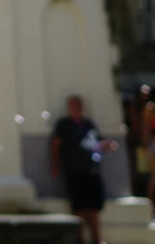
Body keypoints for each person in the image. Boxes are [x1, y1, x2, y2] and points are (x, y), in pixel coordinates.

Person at [51, 94, 119, 244]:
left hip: (91, 170)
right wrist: (54, 166)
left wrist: (105, 145)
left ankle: (97, 238)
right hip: (74, 171)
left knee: (94, 207)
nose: (77, 108)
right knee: (79, 207)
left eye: (79, 105)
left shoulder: (88, 124)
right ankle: (80, 239)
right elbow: (56, 145)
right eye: (74, 105)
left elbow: (96, 144)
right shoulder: (64, 125)